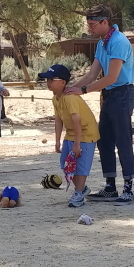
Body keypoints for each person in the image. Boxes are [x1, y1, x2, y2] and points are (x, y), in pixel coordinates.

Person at [65, 4, 134, 206]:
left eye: (93, 24)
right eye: (88, 24)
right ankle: (110, 187)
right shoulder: (101, 43)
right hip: (109, 94)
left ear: (105, 22)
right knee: (104, 140)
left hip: (123, 93)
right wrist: (70, 89)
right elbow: (92, 74)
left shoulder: (119, 41)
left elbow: (112, 77)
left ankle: (128, 189)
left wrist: (84, 90)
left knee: (123, 140)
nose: (90, 28)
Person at [43, 64, 99, 208]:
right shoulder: (55, 98)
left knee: (80, 166)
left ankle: (78, 193)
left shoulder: (70, 98)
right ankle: (82, 189)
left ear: (63, 82)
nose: (48, 82)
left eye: (52, 79)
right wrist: (57, 140)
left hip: (86, 134)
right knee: (65, 163)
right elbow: (58, 119)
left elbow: (77, 121)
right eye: (47, 80)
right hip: (70, 134)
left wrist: (77, 144)